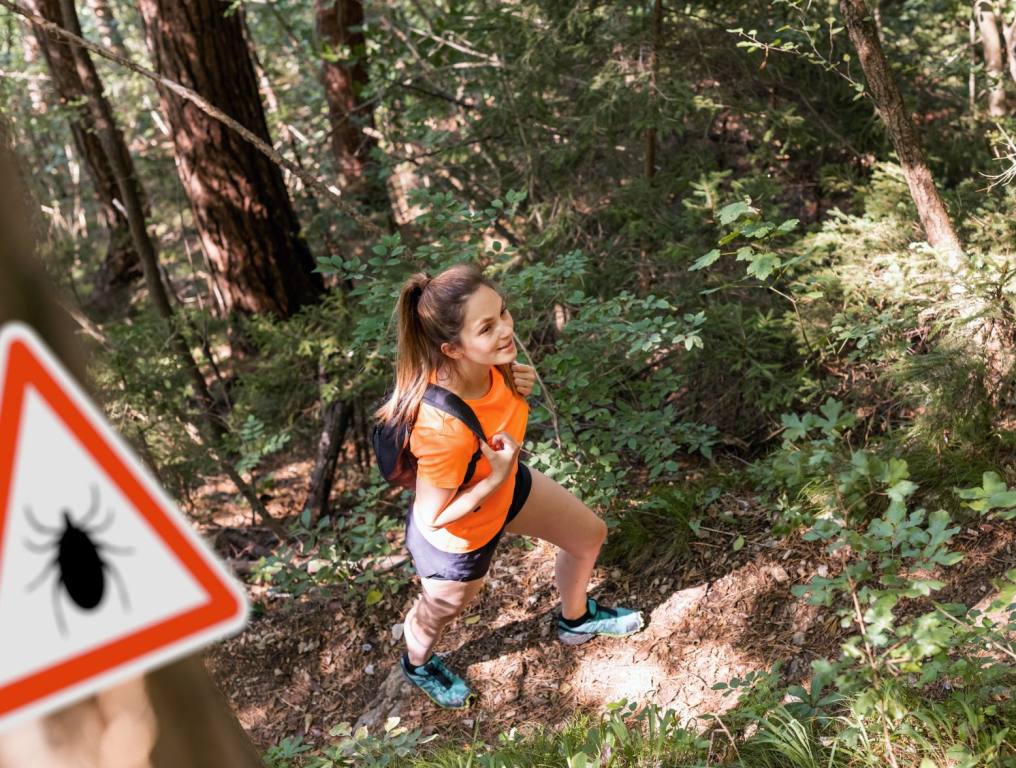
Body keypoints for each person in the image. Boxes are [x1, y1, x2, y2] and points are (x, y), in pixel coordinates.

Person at [376, 263, 644, 709]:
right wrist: (497, 475)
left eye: (503, 313)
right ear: (453, 349)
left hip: (505, 490)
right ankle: (417, 663)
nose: (505, 330)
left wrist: (519, 389)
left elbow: (501, 424)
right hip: (458, 537)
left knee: (588, 536)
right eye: (486, 327)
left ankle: (575, 620)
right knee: (441, 611)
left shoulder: (496, 368)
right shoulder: (440, 427)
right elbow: (432, 517)